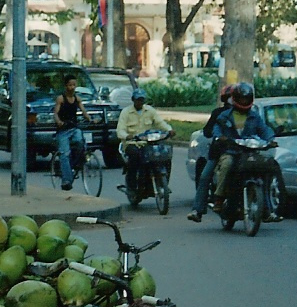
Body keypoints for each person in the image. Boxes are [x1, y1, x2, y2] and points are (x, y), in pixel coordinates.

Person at [190, 82, 280, 223]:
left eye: (246, 98)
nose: (242, 101)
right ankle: (211, 202)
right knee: (222, 166)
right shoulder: (222, 115)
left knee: (266, 168)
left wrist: (270, 139)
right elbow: (214, 130)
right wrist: (220, 138)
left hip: (248, 152)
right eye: (239, 98)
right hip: (227, 151)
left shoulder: (254, 116)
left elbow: (264, 130)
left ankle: (267, 209)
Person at [188, 84, 235, 222]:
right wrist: (219, 136)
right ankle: (198, 209)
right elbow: (208, 131)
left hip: (242, 151)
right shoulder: (218, 114)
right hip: (219, 152)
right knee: (204, 176)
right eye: (231, 97)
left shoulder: (249, 114)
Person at [115, 88, 174, 196]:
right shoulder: (126, 112)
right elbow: (120, 130)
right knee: (135, 158)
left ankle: (162, 183)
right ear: (133, 100)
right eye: (138, 100)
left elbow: (160, 123)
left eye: (142, 100)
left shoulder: (150, 110)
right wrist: (128, 136)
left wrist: (169, 130)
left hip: (149, 143)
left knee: (165, 156)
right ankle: (132, 187)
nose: (140, 102)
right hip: (132, 144)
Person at [53, 75, 96, 191]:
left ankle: (75, 163)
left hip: (74, 128)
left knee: (80, 142)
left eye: (74, 85)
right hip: (63, 130)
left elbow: (84, 111)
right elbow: (56, 113)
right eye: (70, 85)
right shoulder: (61, 99)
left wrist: (90, 119)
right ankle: (67, 180)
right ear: (66, 86)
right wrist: (59, 122)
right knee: (64, 154)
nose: (72, 87)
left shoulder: (77, 99)